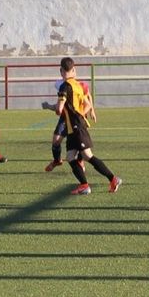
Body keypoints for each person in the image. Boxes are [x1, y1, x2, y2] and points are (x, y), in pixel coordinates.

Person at [55, 57, 121, 195]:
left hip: (76, 127)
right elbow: (88, 104)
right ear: (73, 70)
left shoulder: (64, 86)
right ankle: (84, 185)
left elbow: (59, 109)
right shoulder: (79, 85)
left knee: (87, 155)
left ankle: (112, 178)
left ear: (61, 71)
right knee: (70, 156)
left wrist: (57, 108)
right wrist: (80, 114)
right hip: (74, 127)